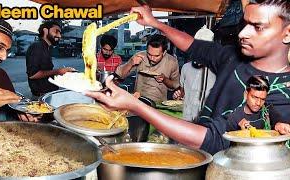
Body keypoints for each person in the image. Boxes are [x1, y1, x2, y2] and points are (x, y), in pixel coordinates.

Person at [86, 1, 290, 155]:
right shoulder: (232, 57)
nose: (243, 33)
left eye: (258, 26)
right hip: (202, 158)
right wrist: (154, 22)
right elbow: (194, 46)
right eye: (245, 24)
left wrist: (135, 105)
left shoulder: (281, 96)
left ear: (287, 33)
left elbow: (212, 139)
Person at [115, 34, 180, 103]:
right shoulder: (140, 56)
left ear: (164, 52)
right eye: (149, 54)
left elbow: (175, 85)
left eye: (156, 56)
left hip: (159, 104)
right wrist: (130, 63)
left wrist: (165, 79)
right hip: (138, 101)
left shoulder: (172, 61)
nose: (152, 59)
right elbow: (120, 75)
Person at [173, 26, 216, 122]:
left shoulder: (217, 70)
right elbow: (182, 92)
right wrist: (178, 95)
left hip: (207, 120)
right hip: (186, 118)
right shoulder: (186, 68)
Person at [26, 20, 75, 96]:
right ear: (45, 31)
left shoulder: (47, 47)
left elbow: (46, 72)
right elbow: (33, 75)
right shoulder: (37, 46)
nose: (59, 36)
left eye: (60, 33)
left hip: (49, 92)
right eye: (56, 31)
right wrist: (58, 71)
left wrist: (62, 73)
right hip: (41, 96)